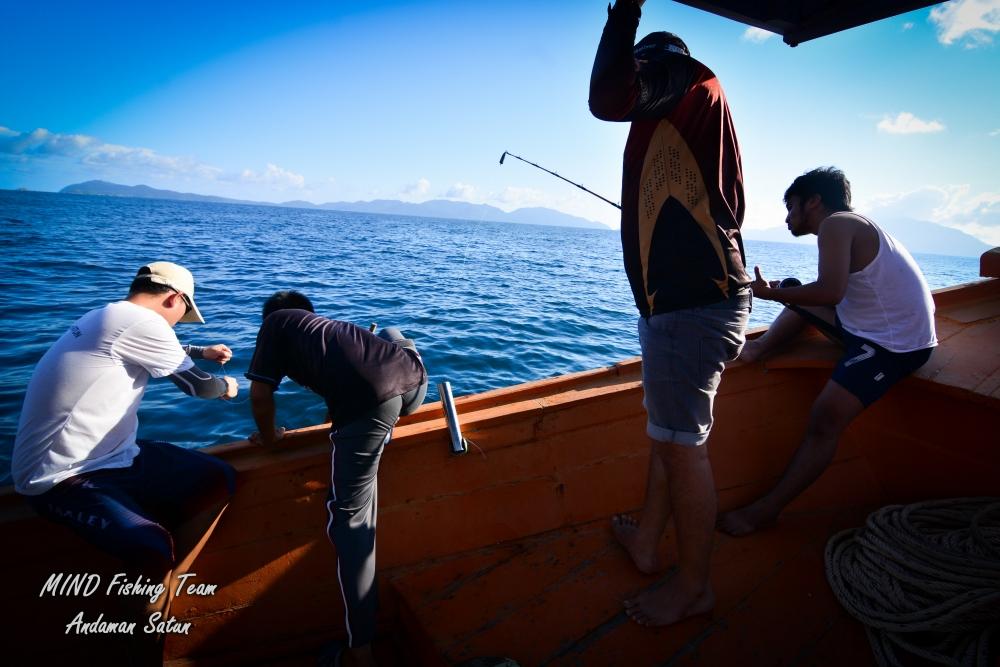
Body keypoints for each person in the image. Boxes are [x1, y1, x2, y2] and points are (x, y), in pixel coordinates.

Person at [589, 0, 752, 627]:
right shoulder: (694, 110)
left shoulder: (680, 77)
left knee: (685, 448)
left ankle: (694, 587)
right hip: (688, 304)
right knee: (669, 436)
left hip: (692, 305)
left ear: (653, 60)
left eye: (640, 67)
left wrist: (621, 16)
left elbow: (607, 98)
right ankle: (648, 542)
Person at [12, 261, 240, 664]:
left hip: (115, 458)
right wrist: (227, 387)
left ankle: (164, 584)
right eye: (181, 316)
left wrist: (199, 351)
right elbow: (199, 388)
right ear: (174, 298)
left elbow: (158, 349)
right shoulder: (141, 323)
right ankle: (141, 645)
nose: (178, 326)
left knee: (217, 476)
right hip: (60, 476)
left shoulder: (106, 314)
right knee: (150, 546)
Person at [718, 167, 937, 536]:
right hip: (869, 327)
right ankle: (757, 351)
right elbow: (825, 294)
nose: (787, 217)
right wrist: (783, 291)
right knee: (792, 287)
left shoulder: (836, 225)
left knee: (824, 417)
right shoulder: (852, 224)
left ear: (814, 201)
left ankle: (765, 511)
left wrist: (771, 295)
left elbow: (830, 293)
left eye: (791, 206)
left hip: (894, 346)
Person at [245, 290, 427, 667]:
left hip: (373, 401)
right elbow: (341, 380)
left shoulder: (276, 323)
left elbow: (260, 396)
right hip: (412, 383)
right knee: (391, 332)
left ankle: (359, 649)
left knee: (349, 521)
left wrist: (269, 441)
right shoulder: (327, 332)